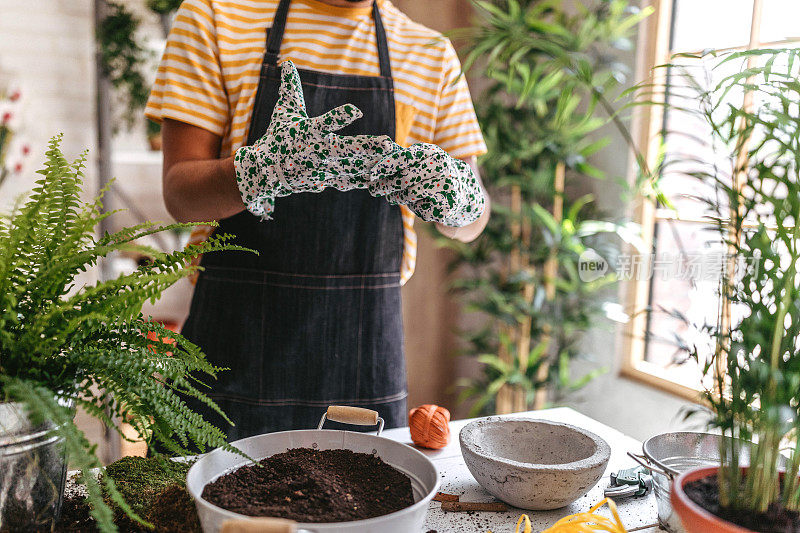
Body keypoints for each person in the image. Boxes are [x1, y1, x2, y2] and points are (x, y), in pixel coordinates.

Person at [145, 0, 489, 441]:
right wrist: (261, 170)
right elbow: (180, 193)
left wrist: (454, 198)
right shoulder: (215, 17)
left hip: (364, 359)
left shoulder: (430, 54)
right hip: (231, 356)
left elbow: (476, 213)